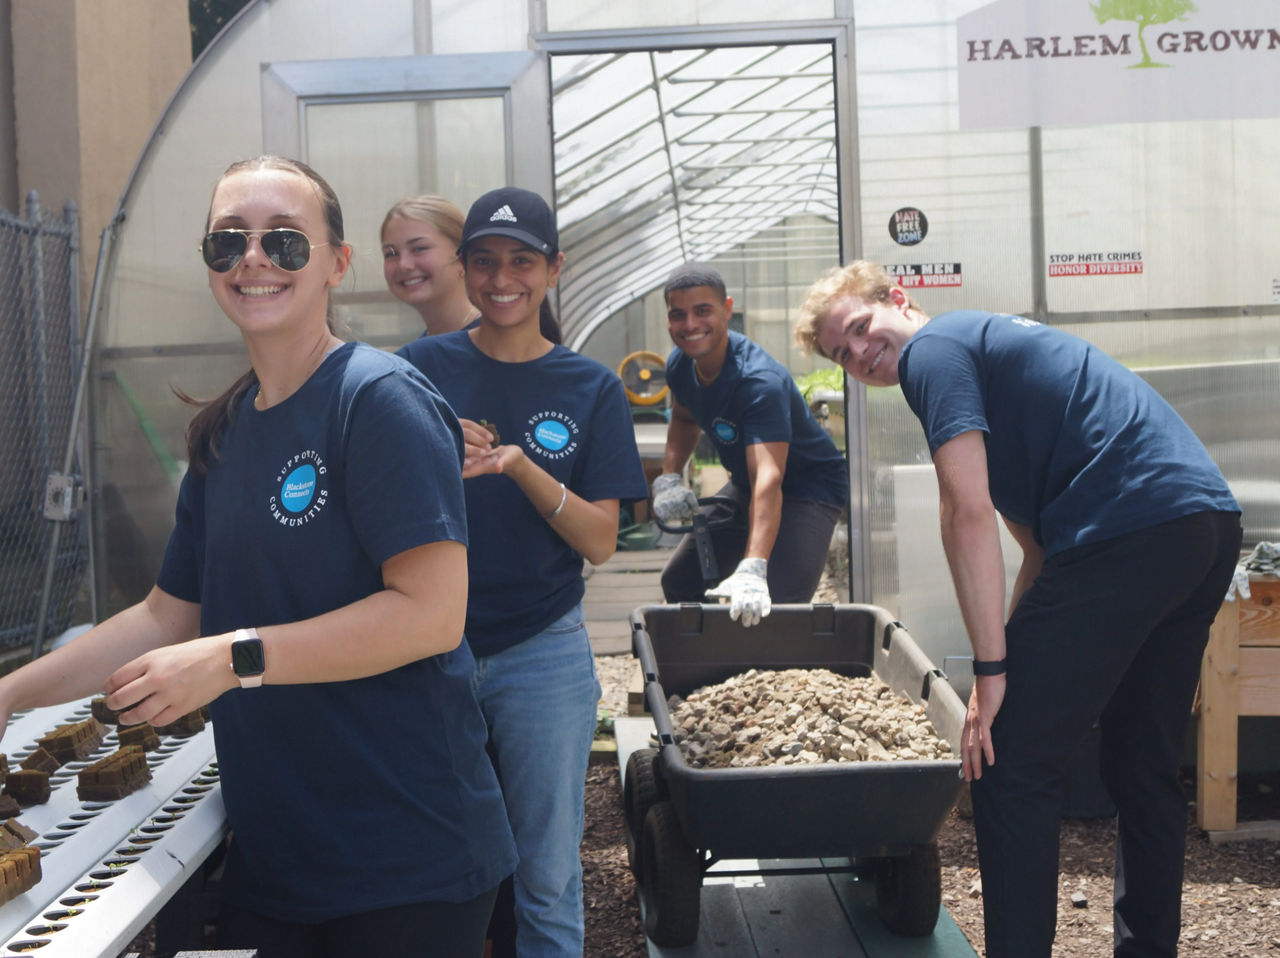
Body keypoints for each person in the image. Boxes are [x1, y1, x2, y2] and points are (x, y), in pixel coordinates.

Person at [0, 156, 516, 958]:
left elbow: (431, 614)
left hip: (406, 855)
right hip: (279, 857)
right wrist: (9, 696)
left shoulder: (377, 401)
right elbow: (168, 616)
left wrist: (234, 660)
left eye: (285, 240)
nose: (254, 259)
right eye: (227, 242)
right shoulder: (228, 429)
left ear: (337, 264)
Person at [793, 260, 1242, 958]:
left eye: (859, 328)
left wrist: (994, 672)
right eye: (840, 355)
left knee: (1005, 761)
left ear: (899, 300)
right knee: (1140, 760)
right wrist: (1003, 661)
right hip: (1199, 527)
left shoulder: (934, 354)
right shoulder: (983, 361)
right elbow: (1034, 553)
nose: (859, 354)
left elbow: (963, 512)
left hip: (1130, 530)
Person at [396, 186, 648, 957]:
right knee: (434, 865)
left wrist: (517, 465)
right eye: (484, 261)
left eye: (522, 261)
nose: (502, 278)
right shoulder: (415, 371)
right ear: (465, 271)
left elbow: (602, 540)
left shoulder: (590, 387)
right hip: (428, 648)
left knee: (546, 871)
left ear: (553, 269)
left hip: (543, 650)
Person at [652, 263, 849, 626]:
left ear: (727, 310)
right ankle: (713, 664)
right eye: (678, 315)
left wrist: (754, 565)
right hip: (749, 482)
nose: (690, 324)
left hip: (808, 487)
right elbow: (683, 417)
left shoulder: (758, 382)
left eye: (703, 311)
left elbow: (769, 479)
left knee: (779, 604)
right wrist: (668, 477)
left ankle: (768, 669)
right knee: (680, 581)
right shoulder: (681, 364)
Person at [381, 194, 479, 335]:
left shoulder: (499, 344)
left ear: (462, 255)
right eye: (391, 254)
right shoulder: (418, 352)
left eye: (419, 248)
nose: (403, 264)